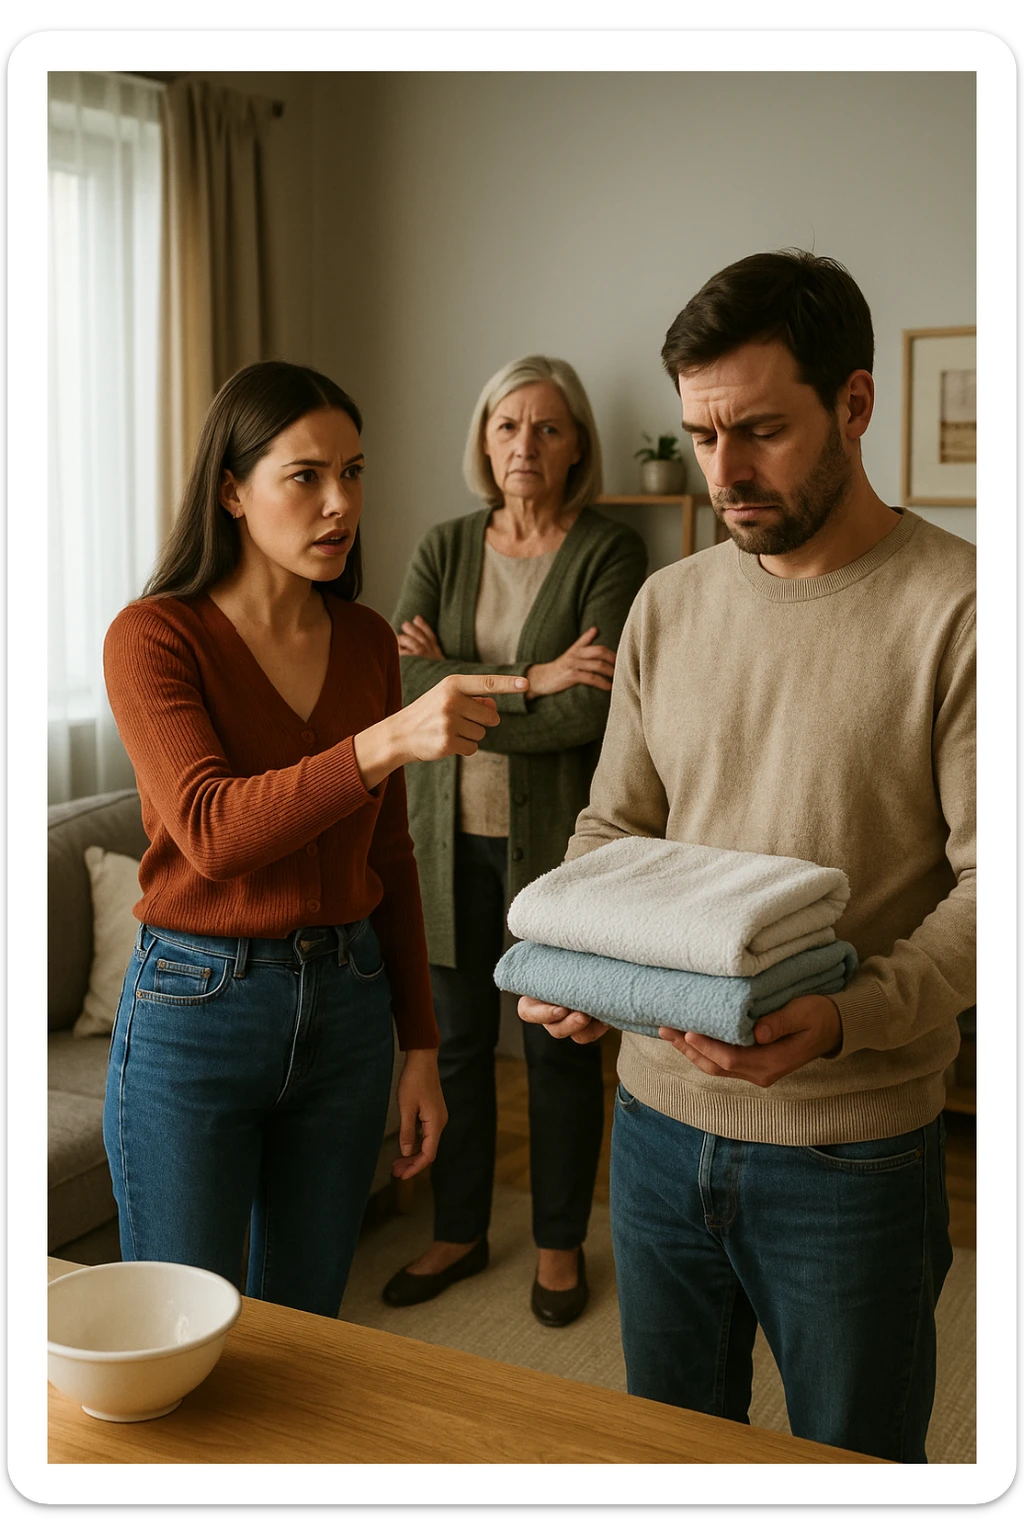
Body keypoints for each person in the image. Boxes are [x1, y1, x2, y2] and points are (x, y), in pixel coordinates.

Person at [518, 252, 975, 1460]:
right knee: (675, 1461)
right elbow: (610, 831)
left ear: (855, 405)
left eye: (761, 430)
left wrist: (842, 1019)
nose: (724, 471)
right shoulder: (666, 603)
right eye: (701, 434)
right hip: (656, 1127)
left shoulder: (964, 611)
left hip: (852, 1145)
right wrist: (577, 958)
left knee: (853, 1462)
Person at [101, 359, 530, 1319]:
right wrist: (382, 744)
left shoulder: (370, 642)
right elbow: (211, 831)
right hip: (196, 1011)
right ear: (233, 492)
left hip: (347, 1010)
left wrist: (419, 1043)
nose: (342, 504)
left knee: (304, 1336)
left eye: (355, 472)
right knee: (177, 1328)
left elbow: (389, 860)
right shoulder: (153, 637)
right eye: (307, 476)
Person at [381, 355, 648, 1324]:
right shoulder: (445, 544)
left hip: (558, 857)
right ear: (482, 439)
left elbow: (593, 710)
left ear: (576, 443)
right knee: (452, 1047)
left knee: (558, 1052)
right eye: (506, 426)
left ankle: (557, 1246)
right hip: (443, 842)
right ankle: (457, 1230)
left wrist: (463, 684)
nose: (523, 446)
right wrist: (531, 678)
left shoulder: (610, 552)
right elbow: (402, 689)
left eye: (545, 428)